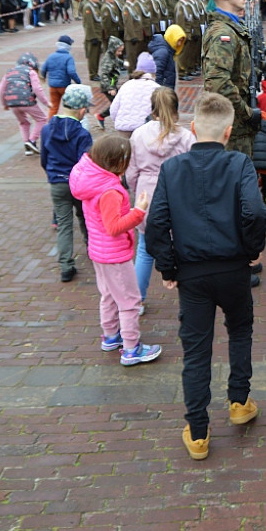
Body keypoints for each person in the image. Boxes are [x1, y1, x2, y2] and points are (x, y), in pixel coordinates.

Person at [145, 92, 266, 460]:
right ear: (229, 132)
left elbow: (156, 224)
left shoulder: (172, 169)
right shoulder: (239, 164)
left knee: (197, 351)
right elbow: (255, 211)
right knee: (240, 331)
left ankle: (198, 432)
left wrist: (169, 266)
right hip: (233, 268)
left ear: (194, 127)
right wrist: (251, 251)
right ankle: (238, 400)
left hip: (193, 274)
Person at [69, 135, 163, 366]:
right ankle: (132, 348)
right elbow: (114, 227)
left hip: (99, 251)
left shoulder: (92, 179)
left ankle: (111, 335)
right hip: (114, 254)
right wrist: (138, 211)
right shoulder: (110, 190)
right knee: (130, 301)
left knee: (109, 294)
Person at [127, 88, 195, 304]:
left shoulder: (138, 135)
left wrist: (137, 191)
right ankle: (190, 297)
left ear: (152, 109)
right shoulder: (186, 138)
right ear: (176, 109)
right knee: (184, 249)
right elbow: (193, 173)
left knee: (145, 251)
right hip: (177, 197)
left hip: (147, 196)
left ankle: (137, 301)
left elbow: (131, 172)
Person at [201, 0, 261, 156]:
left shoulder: (232, 27)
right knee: (236, 178)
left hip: (235, 119)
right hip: (232, 122)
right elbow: (218, 84)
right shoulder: (223, 34)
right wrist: (248, 113)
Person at [40, 84, 94, 282]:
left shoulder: (47, 130)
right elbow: (85, 163)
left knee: (64, 224)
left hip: (57, 182)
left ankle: (66, 265)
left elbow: (44, 159)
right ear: (81, 111)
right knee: (85, 217)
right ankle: (92, 249)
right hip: (77, 183)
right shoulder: (82, 134)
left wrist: (53, 175)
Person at [0, 52, 49, 155]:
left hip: (12, 102)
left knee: (23, 122)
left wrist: (4, 104)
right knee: (42, 119)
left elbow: (0, 91)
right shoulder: (31, 72)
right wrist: (46, 103)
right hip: (27, 101)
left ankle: (27, 146)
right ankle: (32, 140)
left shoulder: (9, 72)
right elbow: (37, 89)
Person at [111, 53, 162, 138]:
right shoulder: (156, 88)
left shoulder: (126, 85)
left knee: (126, 150)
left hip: (124, 128)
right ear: (153, 72)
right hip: (146, 129)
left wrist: (119, 121)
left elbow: (114, 109)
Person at [42, 35, 83, 118]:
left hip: (52, 86)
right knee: (69, 107)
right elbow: (71, 72)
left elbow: (43, 69)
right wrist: (78, 82)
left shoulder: (51, 56)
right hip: (64, 86)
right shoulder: (68, 57)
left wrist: (44, 78)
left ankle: (51, 126)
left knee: (53, 108)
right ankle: (69, 124)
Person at [95, 36, 125, 130]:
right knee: (116, 105)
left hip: (112, 84)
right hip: (108, 86)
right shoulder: (107, 60)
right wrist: (110, 88)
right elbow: (104, 75)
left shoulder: (113, 57)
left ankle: (105, 116)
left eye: (121, 51)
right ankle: (101, 116)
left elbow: (118, 62)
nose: (120, 53)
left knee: (117, 103)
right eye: (118, 51)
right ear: (113, 49)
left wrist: (126, 64)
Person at [149, 24, 185, 90]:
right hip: (163, 91)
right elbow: (157, 74)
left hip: (166, 89)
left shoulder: (169, 50)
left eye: (181, 41)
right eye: (178, 40)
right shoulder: (163, 52)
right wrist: (159, 93)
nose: (179, 44)